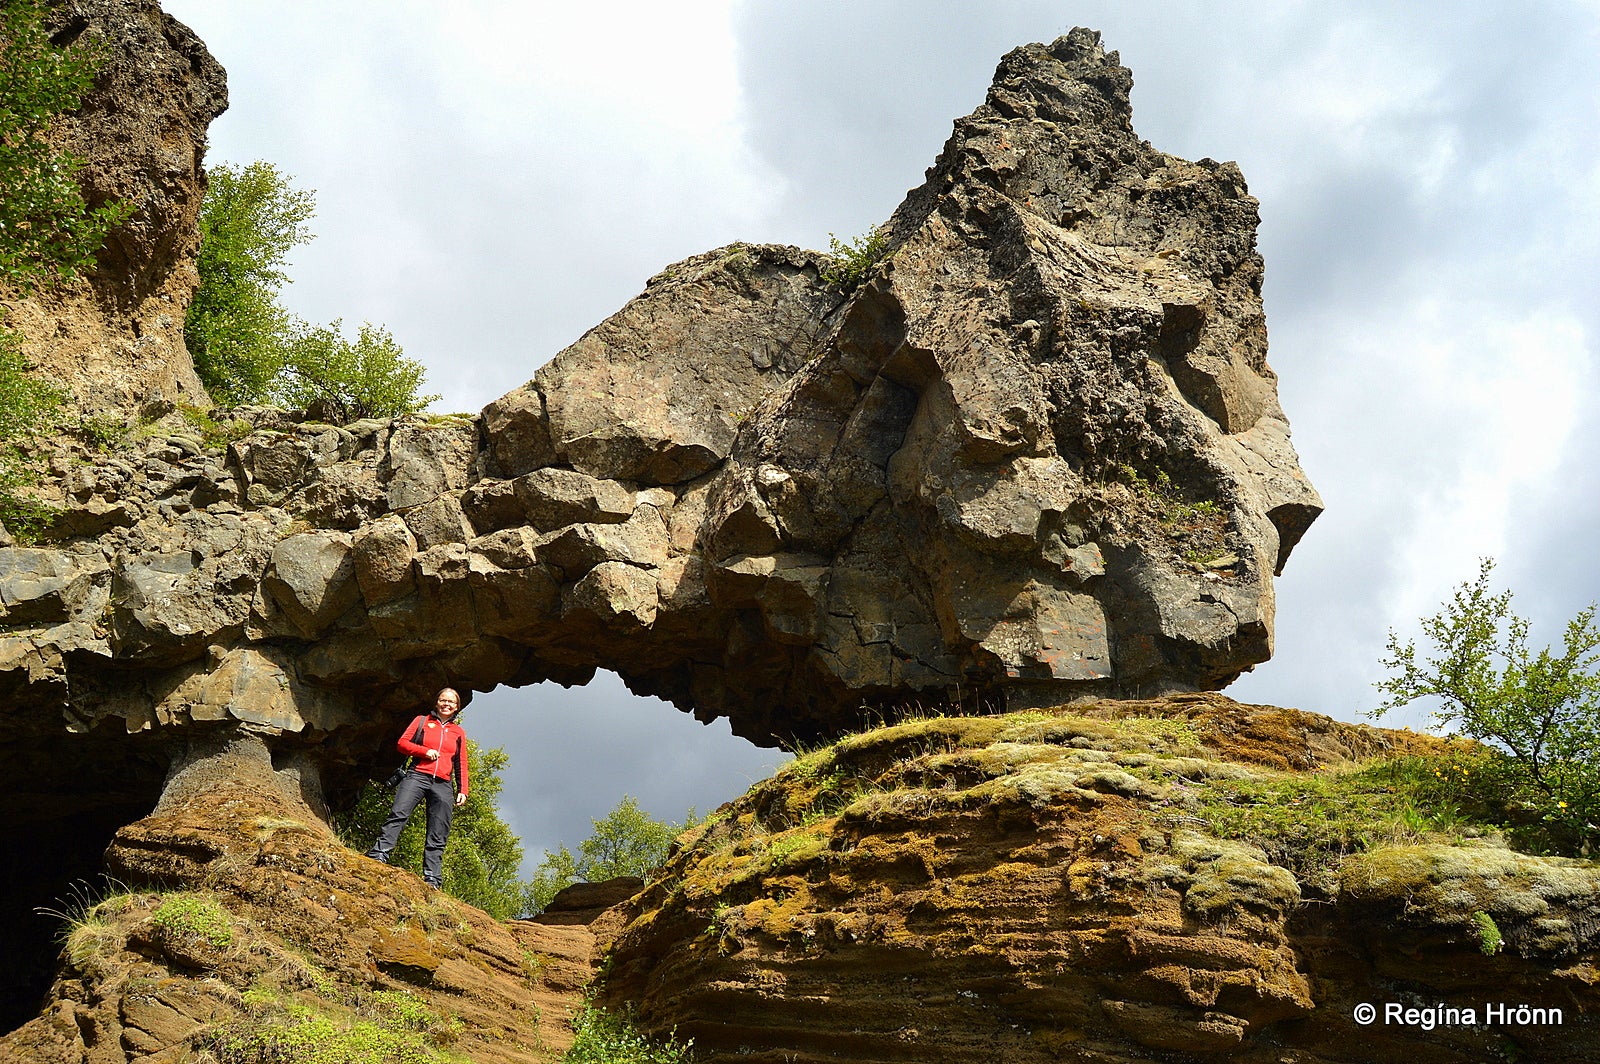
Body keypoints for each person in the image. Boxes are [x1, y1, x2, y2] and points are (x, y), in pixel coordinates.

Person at [365, 687, 471, 888]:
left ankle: (432, 878)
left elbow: (461, 762)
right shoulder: (422, 721)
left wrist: (463, 790)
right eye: (443, 700)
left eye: (451, 702)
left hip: (443, 784)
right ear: (436, 702)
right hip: (417, 775)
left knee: (438, 831)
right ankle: (379, 854)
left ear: (457, 707)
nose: (446, 704)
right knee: (398, 814)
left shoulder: (458, 732)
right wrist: (424, 751)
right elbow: (402, 743)